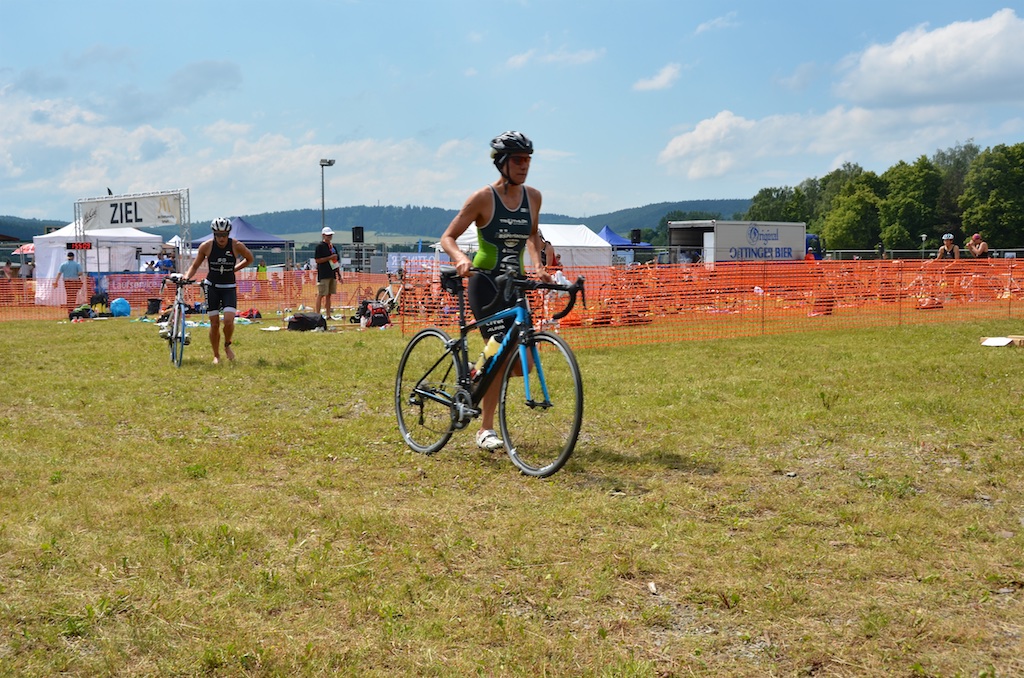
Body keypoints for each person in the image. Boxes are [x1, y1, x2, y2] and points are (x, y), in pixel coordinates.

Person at [440, 130, 551, 452]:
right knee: (501, 355)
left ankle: (477, 370)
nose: (524, 165)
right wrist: (460, 259)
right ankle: (485, 429)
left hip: (515, 284)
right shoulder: (482, 198)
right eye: (518, 160)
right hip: (486, 283)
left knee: (522, 364)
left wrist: (538, 265)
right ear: (501, 162)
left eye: (528, 160)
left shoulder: (534, 197)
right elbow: (448, 237)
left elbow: (532, 235)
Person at [184, 218, 254, 364]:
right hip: (212, 287)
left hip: (229, 287)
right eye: (218, 235)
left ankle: (227, 344)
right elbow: (195, 266)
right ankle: (216, 355)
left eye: (224, 235)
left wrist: (235, 269)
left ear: (228, 234)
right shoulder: (206, 246)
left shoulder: (236, 245)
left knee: (228, 321)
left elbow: (249, 258)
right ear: (214, 234)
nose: (222, 238)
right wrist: (186, 277)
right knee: (214, 324)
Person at [313, 227, 341, 319]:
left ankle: (328, 315)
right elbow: (317, 260)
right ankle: (317, 315)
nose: (329, 236)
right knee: (321, 294)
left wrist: (339, 275)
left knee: (329, 295)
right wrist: (329, 257)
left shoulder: (333, 248)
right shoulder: (320, 247)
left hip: (332, 274)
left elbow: (336, 262)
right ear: (323, 235)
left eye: (330, 235)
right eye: (327, 235)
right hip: (323, 274)